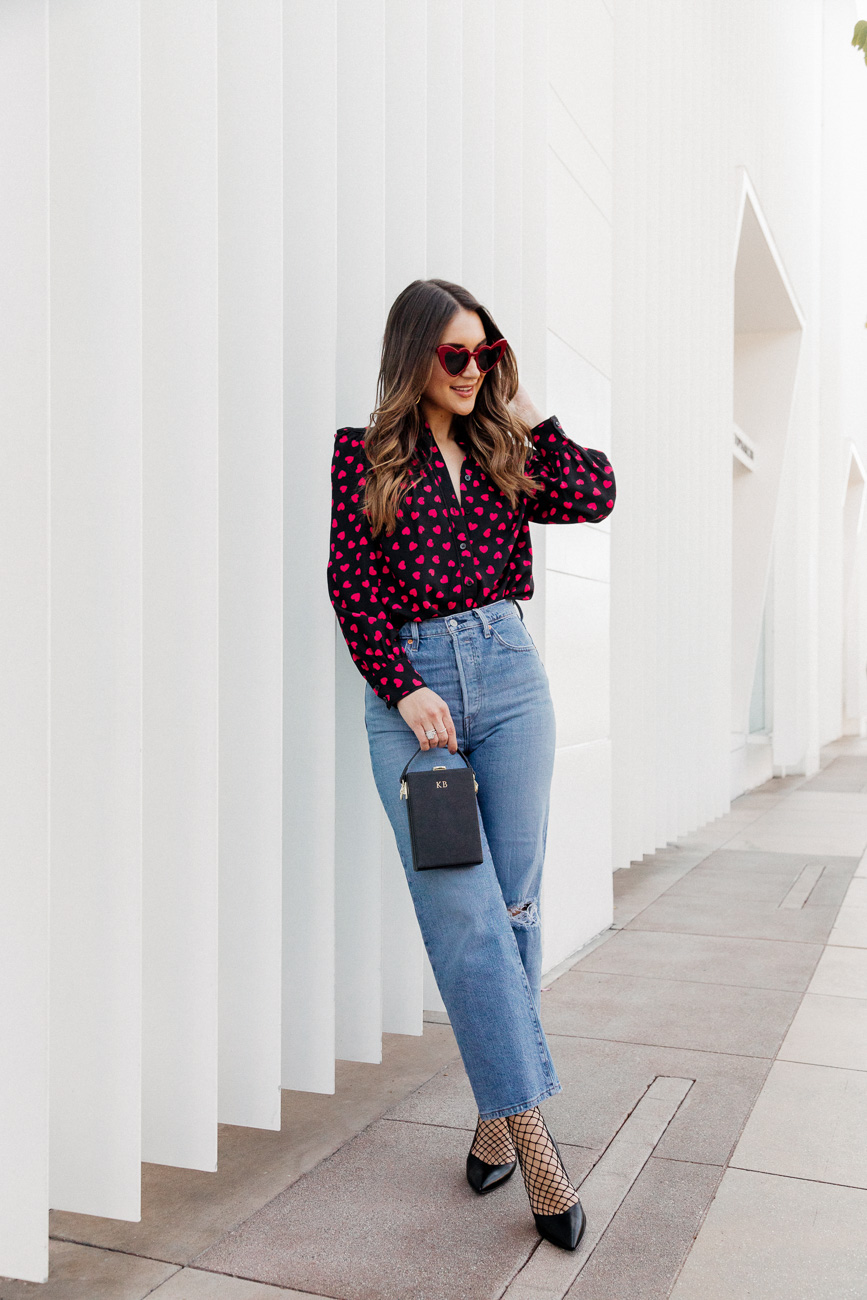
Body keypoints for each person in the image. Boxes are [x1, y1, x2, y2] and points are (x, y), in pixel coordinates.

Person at [326, 278, 616, 1251]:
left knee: (518, 906)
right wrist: (402, 684)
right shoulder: (359, 458)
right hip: (415, 707)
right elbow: (350, 584)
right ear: (413, 355)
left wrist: (522, 404)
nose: (470, 370)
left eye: (483, 353)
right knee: (467, 921)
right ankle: (536, 1144)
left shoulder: (503, 451)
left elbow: (598, 491)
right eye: (454, 355)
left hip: (508, 678)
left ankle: (496, 1115)